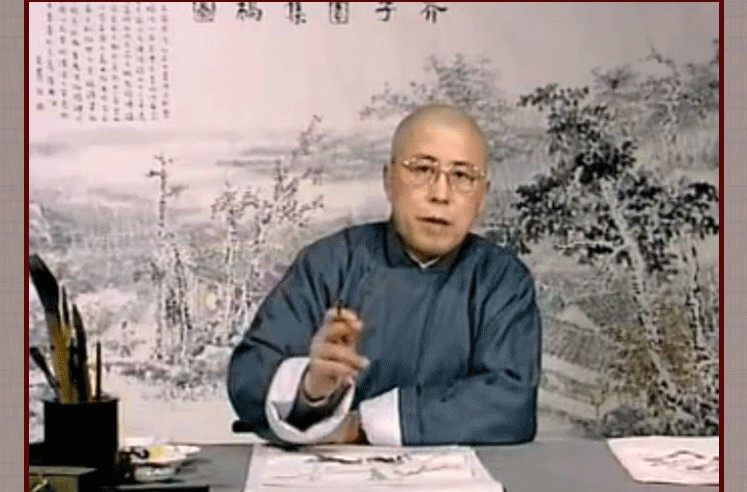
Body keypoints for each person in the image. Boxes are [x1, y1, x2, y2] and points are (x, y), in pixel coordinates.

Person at [227, 104, 542, 446]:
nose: (440, 194)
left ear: (482, 196)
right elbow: (251, 374)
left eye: (462, 176)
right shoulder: (331, 263)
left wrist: (362, 426)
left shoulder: (502, 281)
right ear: (388, 180)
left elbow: (510, 403)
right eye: (422, 169)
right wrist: (310, 389)